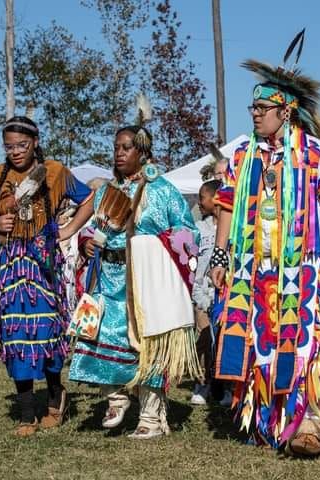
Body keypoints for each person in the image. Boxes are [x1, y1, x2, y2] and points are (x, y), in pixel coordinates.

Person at [209, 31, 320, 457]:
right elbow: (226, 207)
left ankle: (307, 423)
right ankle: (269, 423)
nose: (254, 114)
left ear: (285, 111)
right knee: (259, 343)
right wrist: (220, 256)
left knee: (304, 343)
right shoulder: (242, 157)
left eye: (261, 108)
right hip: (252, 270)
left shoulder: (314, 154)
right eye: (252, 107)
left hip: (303, 265)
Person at [69, 113, 200, 440]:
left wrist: (157, 246)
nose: (119, 153)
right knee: (102, 335)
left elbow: (187, 230)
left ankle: (151, 417)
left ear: (143, 152)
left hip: (147, 280)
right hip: (108, 278)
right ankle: (115, 397)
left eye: (126, 148)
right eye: (116, 147)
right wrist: (86, 243)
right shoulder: (105, 192)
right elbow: (92, 230)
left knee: (149, 344)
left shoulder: (162, 190)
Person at [0, 115, 94, 437]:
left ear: (36, 142)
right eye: (9, 147)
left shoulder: (55, 172)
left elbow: (88, 199)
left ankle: (55, 397)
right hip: (11, 266)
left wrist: (68, 229)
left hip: (44, 264)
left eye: (22, 145)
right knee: (15, 336)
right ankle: (27, 413)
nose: (15, 152)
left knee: (47, 332)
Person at [189, 179, 222, 406]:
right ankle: (202, 383)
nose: (199, 202)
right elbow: (191, 260)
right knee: (202, 339)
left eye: (202, 197)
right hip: (201, 294)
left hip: (225, 294)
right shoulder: (199, 229)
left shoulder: (232, 229)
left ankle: (224, 386)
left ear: (216, 199)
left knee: (222, 341)